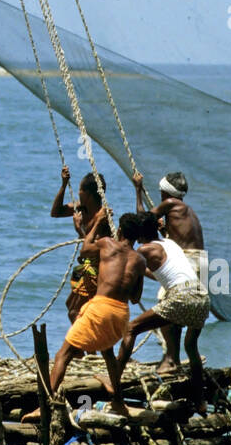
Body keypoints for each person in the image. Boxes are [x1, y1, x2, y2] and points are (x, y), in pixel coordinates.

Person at [49, 211, 147, 407]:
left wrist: (97, 223)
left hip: (101, 307)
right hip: (120, 313)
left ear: (119, 230)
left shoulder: (107, 243)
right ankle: (118, 401)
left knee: (64, 354)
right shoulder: (140, 260)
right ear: (137, 236)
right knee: (107, 351)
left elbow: (85, 251)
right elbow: (135, 298)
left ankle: (45, 403)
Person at [116, 212, 210, 408]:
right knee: (191, 347)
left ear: (140, 235)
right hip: (202, 296)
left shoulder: (143, 251)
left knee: (131, 328)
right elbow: (159, 273)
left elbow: (135, 297)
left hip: (181, 296)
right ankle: (200, 399)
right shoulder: (170, 243)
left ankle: (113, 379)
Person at [51, 167, 110, 319]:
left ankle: (84, 340)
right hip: (83, 265)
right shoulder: (81, 209)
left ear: (88, 194)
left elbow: (94, 249)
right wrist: (64, 185)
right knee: (69, 305)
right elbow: (55, 212)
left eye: (80, 190)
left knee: (75, 312)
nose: (78, 193)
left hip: (95, 269)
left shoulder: (102, 218)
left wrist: (79, 230)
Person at [132, 169, 205, 285]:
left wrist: (138, 189)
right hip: (200, 260)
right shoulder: (186, 209)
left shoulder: (171, 203)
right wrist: (164, 231)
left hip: (188, 259)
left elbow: (141, 219)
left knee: (175, 292)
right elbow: (180, 239)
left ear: (165, 192)